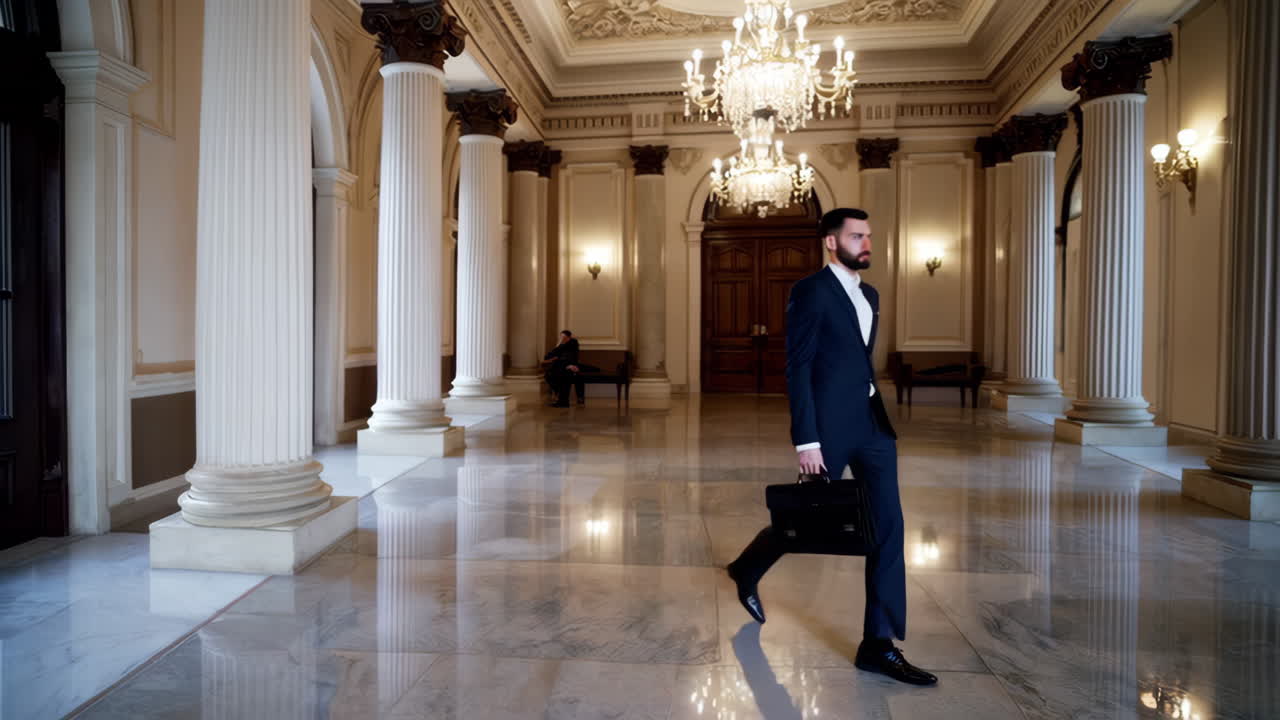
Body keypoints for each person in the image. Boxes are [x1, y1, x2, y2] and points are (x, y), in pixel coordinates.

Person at [725, 208, 937, 686]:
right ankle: (748, 566)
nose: (866, 243)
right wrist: (808, 440)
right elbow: (797, 367)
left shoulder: (871, 296)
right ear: (830, 241)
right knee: (808, 519)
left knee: (887, 528)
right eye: (856, 236)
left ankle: (878, 645)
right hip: (828, 429)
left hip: (873, 427)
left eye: (868, 235)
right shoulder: (810, 292)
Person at [543, 330, 581, 408]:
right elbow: (549, 356)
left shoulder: (572, 344)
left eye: (564, 337)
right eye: (561, 337)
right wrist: (559, 344)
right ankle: (561, 399)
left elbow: (572, 357)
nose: (562, 338)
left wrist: (570, 365)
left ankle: (563, 402)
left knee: (563, 375)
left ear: (569, 337)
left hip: (568, 367)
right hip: (562, 367)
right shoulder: (562, 345)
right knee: (550, 375)